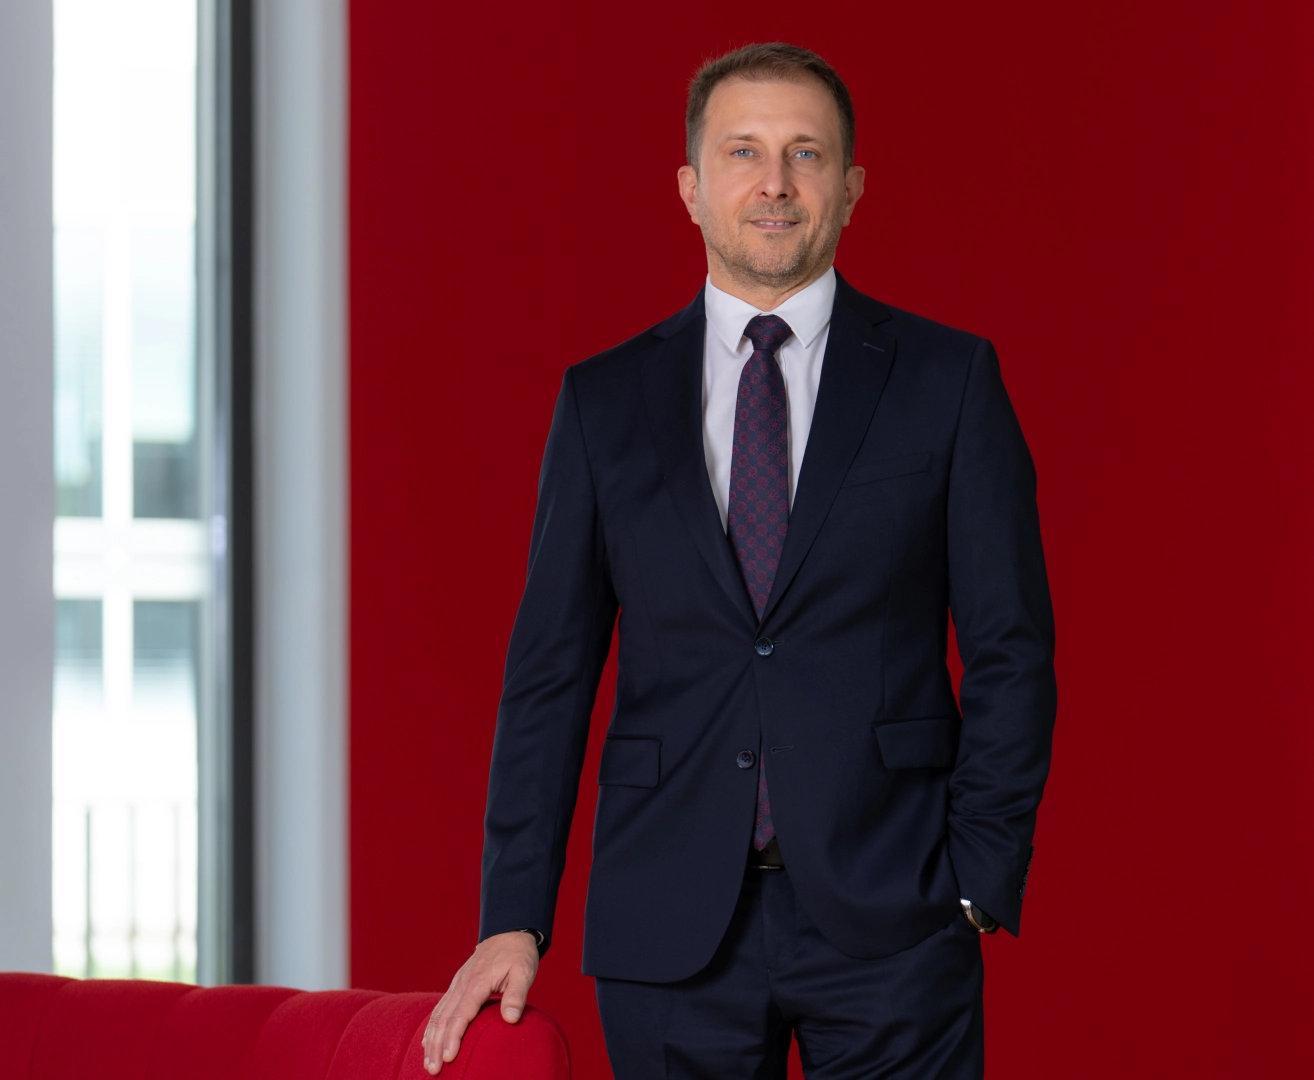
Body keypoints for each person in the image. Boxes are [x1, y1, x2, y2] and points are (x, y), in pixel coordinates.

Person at [422, 41, 1056, 1079]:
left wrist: (979, 878)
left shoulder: (947, 380)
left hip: (895, 913)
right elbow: (549, 677)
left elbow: (1010, 647)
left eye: (806, 153)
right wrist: (513, 916)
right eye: (743, 152)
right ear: (689, 187)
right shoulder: (602, 401)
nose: (774, 182)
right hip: (666, 918)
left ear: (850, 187)